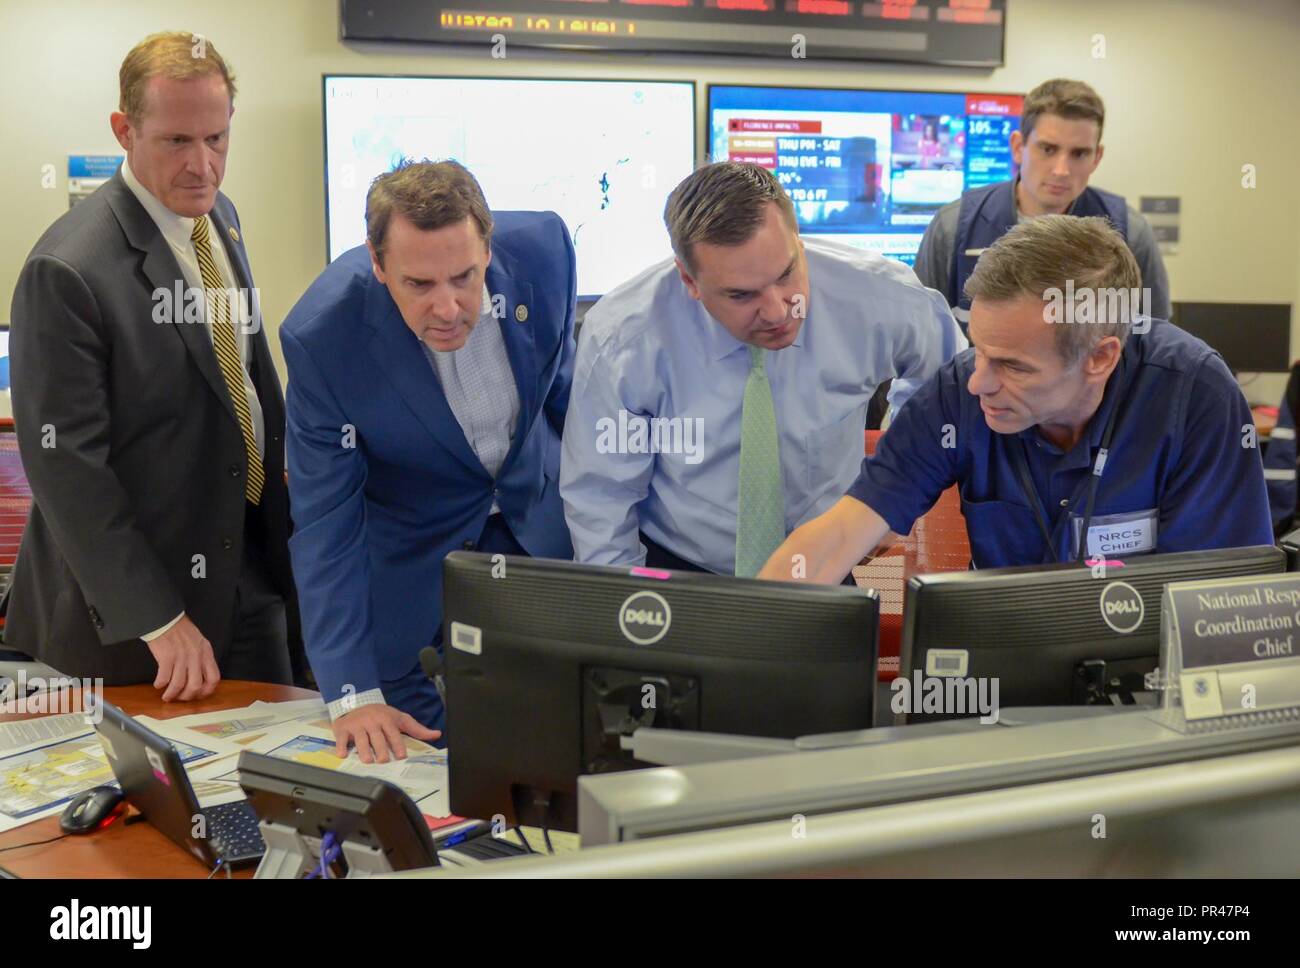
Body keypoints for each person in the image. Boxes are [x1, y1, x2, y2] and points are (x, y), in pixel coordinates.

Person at [7, 31, 295, 697]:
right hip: (136, 615)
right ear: (124, 130)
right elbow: (65, 466)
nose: (203, 165)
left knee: (268, 782)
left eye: (217, 138)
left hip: (246, 571)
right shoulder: (69, 269)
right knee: (152, 798)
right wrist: (158, 617)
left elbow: (244, 380)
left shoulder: (220, 218)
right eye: (177, 142)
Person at [759, 215, 1271, 584]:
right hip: (1002, 677)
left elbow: (1215, 599)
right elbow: (843, 530)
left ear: (1099, 358)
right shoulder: (960, 393)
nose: (980, 381)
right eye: (979, 350)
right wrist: (760, 627)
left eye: (1012, 365)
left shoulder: (1194, 396)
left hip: (1147, 687)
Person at [281, 160, 575, 762]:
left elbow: (573, 401)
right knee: (401, 737)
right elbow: (323, 521)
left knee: (563, 724)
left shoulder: (547, 254)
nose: (447, 307)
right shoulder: (324, 338)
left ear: (487, 248)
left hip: (534, 520)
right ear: (377, 262)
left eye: (464, 277)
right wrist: (350, 693)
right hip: (411, 545)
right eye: (419, 285)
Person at [561, 162, 964, 578]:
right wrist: (626, 605)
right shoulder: (624, 339)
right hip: (681, 562)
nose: (777, 310)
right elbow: (601, 496)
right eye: (741, 294)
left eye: (786, 273)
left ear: (797, 241)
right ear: (689, 279)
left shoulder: (881, 298)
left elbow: (948, 383)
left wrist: (890, 490)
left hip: (827, 557)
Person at [914, 78, 1171, 333]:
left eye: (1079, 154)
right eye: (1048, 149)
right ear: (1018, 147)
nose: (1061, 170)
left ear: (1096, 158)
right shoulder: (952, 228)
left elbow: (1150, 346)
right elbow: (923, 342)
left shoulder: (1130, 235)